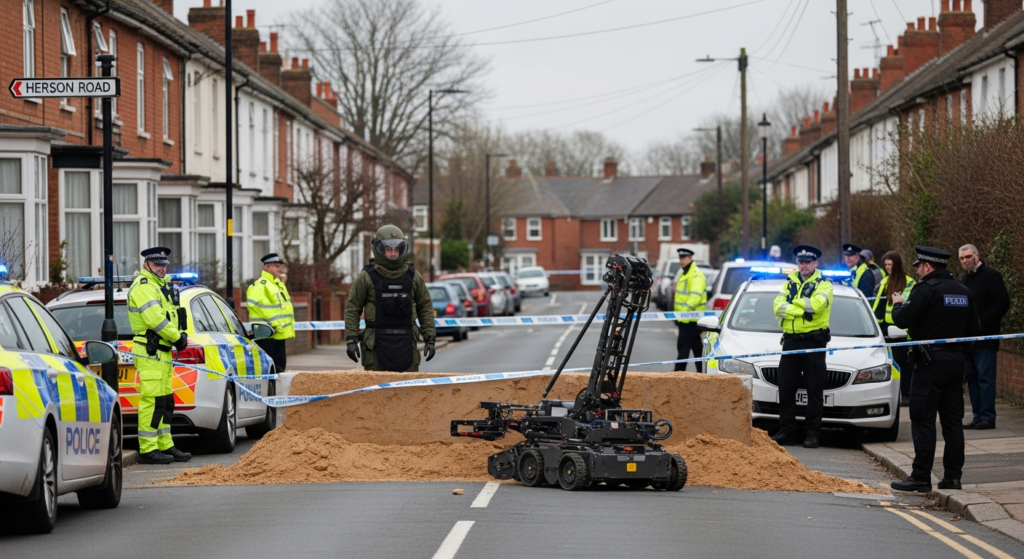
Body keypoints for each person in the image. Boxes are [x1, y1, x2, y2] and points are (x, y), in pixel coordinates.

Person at [890, 246, 981, 493]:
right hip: (956, 364)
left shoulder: (925, 290)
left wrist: (898, 304)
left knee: (923, 420)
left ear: (928, 266)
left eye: (919, 266)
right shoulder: (963, 291)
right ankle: (952, 477)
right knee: (953, 422)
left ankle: (921, 476)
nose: (918, 271)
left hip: (929, 365)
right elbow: (974, 330)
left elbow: (902, 320)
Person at [128, 247, 191, 465]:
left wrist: (177, 335)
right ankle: (148, 448)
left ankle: (165, 444)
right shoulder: (144, 287)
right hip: (150, 351)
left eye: (164, 265)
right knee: (152, 401)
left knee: (165, 401)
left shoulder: (159, 286)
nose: (162, 269)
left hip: (162, 351)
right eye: (158, 266)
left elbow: (171, 316)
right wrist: (177, 337)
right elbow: (155, 319)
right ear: (146, 265)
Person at [345, 225, 436, 372]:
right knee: (377, 393)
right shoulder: (366, 277)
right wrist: (351, 340)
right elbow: (353, 308)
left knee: (407, 393)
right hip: (375, 349)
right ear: (379, 249)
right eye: (388, 249)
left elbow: (425, 306)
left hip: (407, 348)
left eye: (396, 249)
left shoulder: (413, 276)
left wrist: (430, 339)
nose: (393, 253)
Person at [772, 245, 833, 449]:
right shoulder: (790, 283)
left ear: (815, 263)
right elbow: (776, 308)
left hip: (814, 342)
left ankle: (812, 434)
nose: (803, 265)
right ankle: (786, 432)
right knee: (786, 388)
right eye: (800, 262)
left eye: (807, 262)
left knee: (814, 390)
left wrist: (792, 306)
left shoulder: (825, 285)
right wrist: (800, 307)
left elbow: (814, 307)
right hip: (790, 341)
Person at [959, 244, 1010, 430]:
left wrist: (982, 322)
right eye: (962, 258)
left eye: (968, 257)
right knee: (972, 378)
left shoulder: (991, 275)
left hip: (986, 337)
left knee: (985, 378)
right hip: (969, 340)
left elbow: (1003, 302)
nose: (965, 261)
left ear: (977, 256)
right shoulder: (965, 279)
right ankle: (977, 415)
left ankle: (988, 417)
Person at [872, 251, 916, 404]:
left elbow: (908, 306)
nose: (887, 268)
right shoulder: (885, 281)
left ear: (897, 265)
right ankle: (896, 393)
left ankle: (906, 394)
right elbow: (878, 305)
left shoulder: (909, 282)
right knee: (889, 363)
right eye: (885, 265)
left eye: (890, 265)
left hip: (901, 329)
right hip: (885, 329)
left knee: (902, 362)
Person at [246, 253, 295, 371]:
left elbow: (282, 308)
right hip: (266, 333)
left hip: (278, 333)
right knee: (267, 369)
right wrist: (276, 324)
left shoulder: (277, 285)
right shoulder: (261, 285)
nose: (279, 269)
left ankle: (277, 389)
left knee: (279, 368)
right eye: (276, 266)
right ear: (266, 267)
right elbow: (257, 306)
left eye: (279, 266)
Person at [673, 248, 707, 372]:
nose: (681, 261)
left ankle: (678, 372)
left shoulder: (695, 275)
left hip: (690, 319)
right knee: (696, 347)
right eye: (680, 258)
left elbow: (695, 297)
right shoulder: (685, 273)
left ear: (690, 258)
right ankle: (702, 371)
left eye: (683, 258)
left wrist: (682, 313)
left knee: (683, 346)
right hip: (686, 319)